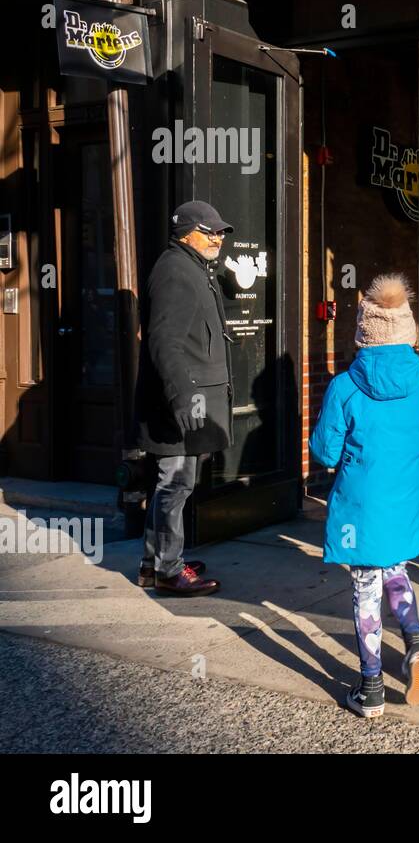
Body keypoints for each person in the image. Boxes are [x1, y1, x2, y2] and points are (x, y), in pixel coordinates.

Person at [310, 274, 419, 718]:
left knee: (365, 585)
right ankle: (417, 645)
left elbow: (324, 450)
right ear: (409, 331)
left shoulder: (345, 386)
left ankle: (370, 686)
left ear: (363, 333)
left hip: (362, 504)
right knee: (396, 566)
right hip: (409, 496)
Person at [134, 200, 235, 596]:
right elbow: (164, 343)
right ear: (187, 232)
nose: (218, 240)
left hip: (188, 405)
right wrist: (182, 396)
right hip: (178, 407)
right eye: (210, 232)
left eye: (220, 233)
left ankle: (151, 564)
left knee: (173, 486)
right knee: (174, 485)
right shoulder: (176, 271)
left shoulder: (191, 268)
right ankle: (168, 570)